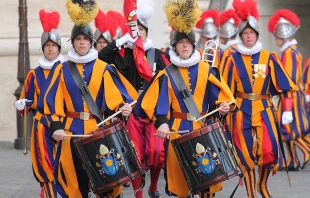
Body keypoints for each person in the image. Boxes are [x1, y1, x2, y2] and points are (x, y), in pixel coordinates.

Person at [137, 0, 235, 197]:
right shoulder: (166, 73)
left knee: (207, 180)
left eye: (187, 43)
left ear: (193, 45)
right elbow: (159, 106)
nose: (184, 46)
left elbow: (221, 98)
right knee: (180, 184)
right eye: (180, 43)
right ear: (175, 45)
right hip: (176, 131)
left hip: (203, 130)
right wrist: (161, 124)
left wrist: (224, 106)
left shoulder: (207, 70)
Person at [41, 1, 138, 197]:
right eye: (78, 39)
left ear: (91, 42)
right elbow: (51, 104)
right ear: (72, 42)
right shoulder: (61, 70)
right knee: (76, 187)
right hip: (70, 135)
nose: (82, 42)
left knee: (108, 185)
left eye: (86, 39)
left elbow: (117, 100)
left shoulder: (104, 69)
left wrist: (123, 107)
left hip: (99, 132)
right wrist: (56, 127)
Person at [221, 0, 297, 197]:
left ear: (256, 35)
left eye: (251, 33)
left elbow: (285, 86)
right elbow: (224, 89)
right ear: (241, 36)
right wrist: (223, 108)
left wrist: (287, 109)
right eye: (245, 33)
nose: (248, 36)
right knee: (243, 154)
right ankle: (250, 192)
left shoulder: (269, 57)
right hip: (239, 110)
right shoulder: (231, 59)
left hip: (264, 108)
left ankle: (262, 185)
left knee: (269, 150)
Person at [98, 1, 169, 197]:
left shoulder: (156, 55)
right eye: (134, 29)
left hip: (152, 112)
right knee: (135, 155)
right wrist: (119, 42)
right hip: (131, 113)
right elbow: (100, 58)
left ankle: (153, 186)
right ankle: (139, 194)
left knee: (156, 153)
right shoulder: (122, 54)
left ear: (146, 32)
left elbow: (165, 83)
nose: (138, 33)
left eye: (141, 30)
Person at [14, 9, 64, 198]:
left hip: (64, 124)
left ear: (59, 48)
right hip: (42, 125)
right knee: (46, 165)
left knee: (64, 166)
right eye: (47, 45)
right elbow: (28, 100)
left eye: (54, 45)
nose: (50, 48)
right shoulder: (33, 75)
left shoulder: (66, 71)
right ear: (43, 48)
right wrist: (22, 104)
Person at [268, 9, 310, 171]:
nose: (276, 39)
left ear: (283, 36)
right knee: (285, 128)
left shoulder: (290, 53)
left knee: (288, 129)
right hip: (289, 95)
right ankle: (292, 160)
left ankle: (306, 151)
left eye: (277, 36)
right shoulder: (289, 52)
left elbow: (288, 79)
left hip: (289, 96)